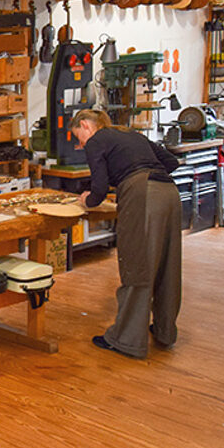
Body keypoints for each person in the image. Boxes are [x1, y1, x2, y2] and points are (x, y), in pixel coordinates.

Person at [69, 109, 183, 359]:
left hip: (143, 194)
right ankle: (165, 331)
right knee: (167, 264)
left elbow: (98, 189)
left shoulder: (97, 140)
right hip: (169, 194)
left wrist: (87, 200)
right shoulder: (131, 135)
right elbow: (172, 163)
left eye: (79, 137)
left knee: (137, 263)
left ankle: (127, 340)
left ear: (86, 125)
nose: (81, 144)